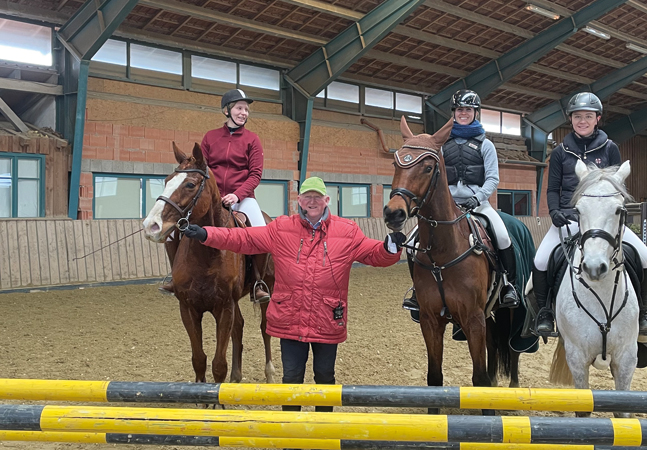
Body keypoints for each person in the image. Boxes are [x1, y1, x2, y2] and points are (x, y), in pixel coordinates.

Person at [182, 176, 405, 410]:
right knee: (291, 378)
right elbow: (243, 238)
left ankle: (323, 424)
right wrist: (206, 235)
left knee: (325, 376)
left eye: (317, 197)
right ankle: (291, 425)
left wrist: (390, 247)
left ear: (327, 200)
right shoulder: (281, 228)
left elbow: (373, 254)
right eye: (307, 197)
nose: (312, 201)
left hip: (327, 318)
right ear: (299, 200)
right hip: (291, 319)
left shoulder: (347, 231)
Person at [532, 92, 647, 337]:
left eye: (588, 116)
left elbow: (618, 188)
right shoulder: (560, 152)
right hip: (569, 219)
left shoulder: (610, 148)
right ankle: (545, 312)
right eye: (577, 116)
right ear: (571, 119)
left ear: (597, 119)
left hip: (605, 223)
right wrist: (555, 211)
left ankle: (642, 311)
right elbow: (553, 188)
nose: (583, 121)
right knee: (540, 260)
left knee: (646, 258)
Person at [402, 89, 519, 312]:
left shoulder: (486, 145)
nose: (463, 113)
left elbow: (493, 178)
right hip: (447, 206)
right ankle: (417, 290)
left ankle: (507, 285)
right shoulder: (441, 146)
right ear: (453, 113)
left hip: (478, 204)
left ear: (476, 112)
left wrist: (477, 198)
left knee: (503, 237)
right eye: (459, 110)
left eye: (468, 109)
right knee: (412, 243)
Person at [161, 89, 269, 302]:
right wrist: (212, 195)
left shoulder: (252, 140)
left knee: (262, 234)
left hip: (243, 199)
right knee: (173, 230)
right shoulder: (211, 137)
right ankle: (175, 276)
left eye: (246, 109)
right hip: (213, 199)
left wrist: (237, 195)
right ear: (227, 111)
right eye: (239, 108)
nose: (244, 113)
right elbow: (203, 169)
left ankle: (258, 281)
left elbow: (255, 174)